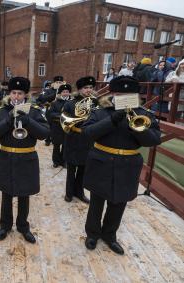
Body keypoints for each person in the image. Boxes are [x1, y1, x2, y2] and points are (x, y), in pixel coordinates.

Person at [83, 76, 161, 255]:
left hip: (127, 165)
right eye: (119, 94)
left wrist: (136, 127)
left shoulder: (144, 114)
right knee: (96, 202)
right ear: (112, 94)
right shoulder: (100, 111)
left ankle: (110, 236)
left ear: (135, 96)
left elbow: (154, 140)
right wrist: (113, 119)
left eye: (128, 95)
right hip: (101, 162)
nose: (123, 98)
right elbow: (87, 133)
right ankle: (92, 234)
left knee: (118, 203)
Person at [0, 76, 50, 244]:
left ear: (25, 94)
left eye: (20, 93)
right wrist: (8, 121)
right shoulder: (1, 111)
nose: (16, 96)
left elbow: (44, 134)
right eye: (14, 93)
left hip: (27, 158)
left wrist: (28, 121)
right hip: (6, 157)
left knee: (24, 194)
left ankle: (23, 226)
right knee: (6, 194)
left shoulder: (35, 110)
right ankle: (5, 225)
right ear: (10, 94)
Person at [62, 76, 97, 204]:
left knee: (83, 169)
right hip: (73, 138)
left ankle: (79, 192)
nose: (88, 90)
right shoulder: (70, 103)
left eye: (91, 88)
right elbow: (64, 121)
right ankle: (69, 193)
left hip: (87, 140)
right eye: (85, 88)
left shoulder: (95, 103)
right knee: (71, 169)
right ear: (80, 89)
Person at [46, 84, 71, 168]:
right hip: (57, 127)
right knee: (56, 146)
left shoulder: (72, 102)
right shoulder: (55, 103)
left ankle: (64, 161)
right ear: (60, 93)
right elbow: (50, 114)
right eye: (63, 92)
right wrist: (60, 116)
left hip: (67, 128)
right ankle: (56, 161)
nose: (65, 93)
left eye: (67, 92)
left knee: (65, 146)